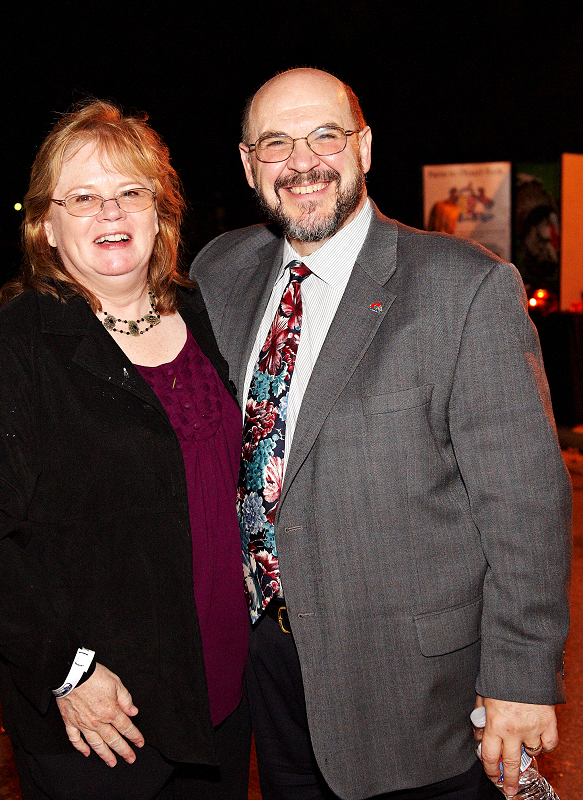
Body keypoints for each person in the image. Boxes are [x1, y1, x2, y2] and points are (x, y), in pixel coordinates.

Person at [191, 68, 571, 800]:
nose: (302, 162)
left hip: (418, 693)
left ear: (363, 148)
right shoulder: (220, 271)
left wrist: (519, 679)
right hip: (264, 672)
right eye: (275, 143)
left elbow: (523, 503)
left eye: (324, 135)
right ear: (247, 164)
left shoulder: (464, 287)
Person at [0, 100, 250, 800]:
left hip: (222, 688)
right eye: (82, 197)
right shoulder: (9, 351)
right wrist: (67, 669)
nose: (110, 212)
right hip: (106, 715)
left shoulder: (197, 314)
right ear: (44, 224)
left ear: (159, 212)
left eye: (130, 192)